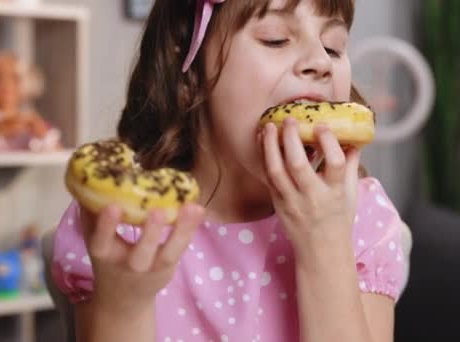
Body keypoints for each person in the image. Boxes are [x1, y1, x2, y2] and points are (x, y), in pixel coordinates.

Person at [50, 1, 408, 341]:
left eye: (333, 47)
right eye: (275, 39)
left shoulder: (361, 218)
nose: (320, 61)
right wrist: (123, 306)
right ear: (189, 67)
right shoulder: (129, 221)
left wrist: (326, 244)